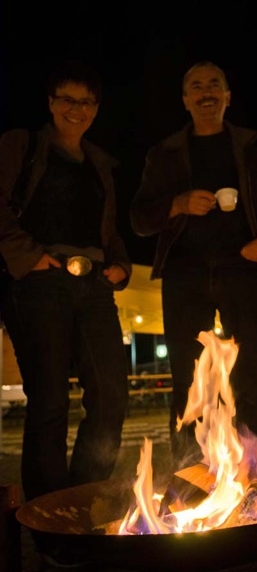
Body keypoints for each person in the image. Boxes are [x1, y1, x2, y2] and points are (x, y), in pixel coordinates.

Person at [130, 61, 257, 467]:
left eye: (214, 85)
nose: (205, 92)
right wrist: (178, 204)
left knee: (254, 378)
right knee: (188, 381)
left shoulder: (256, 147)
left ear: (227, 96)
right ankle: (191, 477)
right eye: (196, 86)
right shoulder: (164, 154)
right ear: (185, 100)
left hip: (245, 270)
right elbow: (139, 218)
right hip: (185, 275)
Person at [0, 60, 131, 564]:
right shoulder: (22, 146)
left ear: (97, 108)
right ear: (51, 103)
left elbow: (108, 228)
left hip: (94, 284)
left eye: (87, 102)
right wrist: (29, 256)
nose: (77, 109)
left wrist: (119, 265)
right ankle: (50, 526)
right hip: (39, 282)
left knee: (111, 396)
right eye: (67, 99)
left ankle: (83, 504)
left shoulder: (100, 163)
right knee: (49, 402)